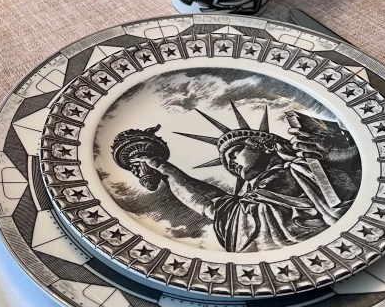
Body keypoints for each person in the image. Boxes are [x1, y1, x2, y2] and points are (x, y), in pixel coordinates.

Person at [125, 106, 360, 253]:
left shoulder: (307, 169)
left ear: (266, 145)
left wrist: (341, 153)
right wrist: (164, 168)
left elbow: (358, 174)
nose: (232, 165)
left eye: (234, 153)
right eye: (228, 165)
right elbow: (209, 204)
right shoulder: (244, 209)